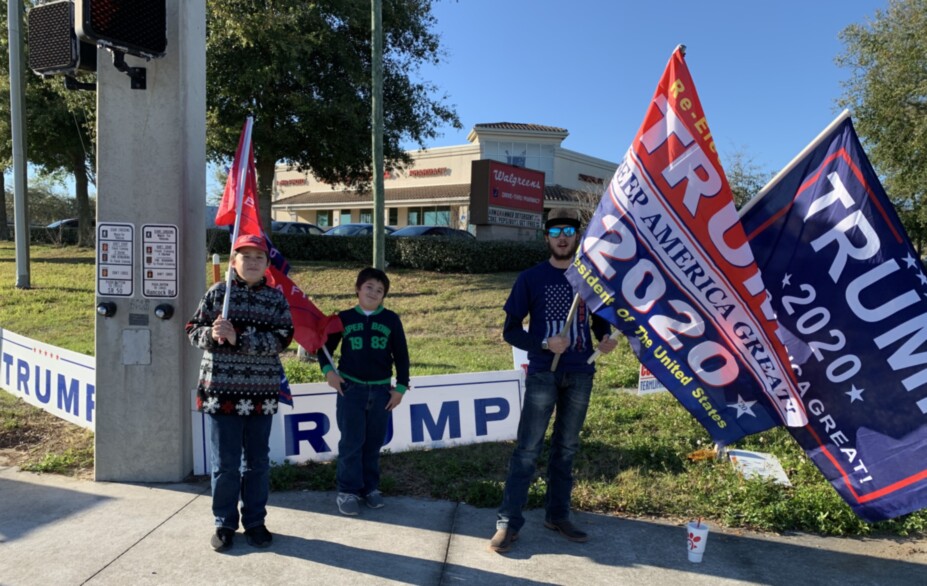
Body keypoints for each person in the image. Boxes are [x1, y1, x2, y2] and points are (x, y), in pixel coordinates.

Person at [489, 207, 618, 554]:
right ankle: (508, 522)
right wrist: (545, 343)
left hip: (580, 372)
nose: (563, 237)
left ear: (577, 237)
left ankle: (557, 514)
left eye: (569, 231)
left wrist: (604, 338)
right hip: (544, 372)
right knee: (528, 449)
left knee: (566, 449)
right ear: (546, 237)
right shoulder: (531, 278)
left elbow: (599, 322)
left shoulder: (589, 279)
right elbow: (511, 330)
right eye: (556, 230)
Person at [186, 234, 294, 552]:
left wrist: (240, 339)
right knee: (225, 463)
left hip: (261, 394)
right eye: (245, 256)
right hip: (221, 392)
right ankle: (224, 523)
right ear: (234, 261)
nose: (252, 262)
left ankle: (256, 522)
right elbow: (192, 330)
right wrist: (212, 333)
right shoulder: (218, 294)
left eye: (259, 257)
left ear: (266, 263)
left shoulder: (276, 299)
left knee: (258, 463)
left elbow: (283, 338)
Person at [318, 267, 410, 516]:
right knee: (351, 442)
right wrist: (329, 373)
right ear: (358, 289)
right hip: (351, 390)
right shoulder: (343, 318)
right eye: (369, 287)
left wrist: (400, 388)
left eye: (380, 290)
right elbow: (323, 349)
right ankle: (347, 490)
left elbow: (401, 356)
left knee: (373, 444)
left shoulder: (391, 320)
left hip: (382, 391)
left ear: (384, 296)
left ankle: (370, 488)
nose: (374, 292)